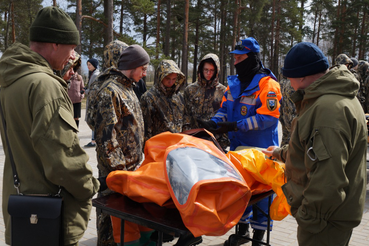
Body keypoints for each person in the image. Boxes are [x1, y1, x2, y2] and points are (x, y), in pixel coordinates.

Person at [0, 6, 99, 246]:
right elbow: (62, 160)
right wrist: (89, 186)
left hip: (21, 207)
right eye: (71, 47)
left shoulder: (11, 78)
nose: (74, 55)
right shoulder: (45, 85)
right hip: (51, 215)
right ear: (55, 43)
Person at [263, 42, 367, 246]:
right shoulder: (333, 98)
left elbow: (329, 177)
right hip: (332, 216)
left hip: (324, 222)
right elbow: (314, 150)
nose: (289, 83)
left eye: (289, 76)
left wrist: (308, 217)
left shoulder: (328, 110)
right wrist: (280, 153)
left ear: (301, 76)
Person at [198, 37, 282, 246]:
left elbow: (268, 118)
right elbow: (225, 110)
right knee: (240, 192)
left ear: (252, 58)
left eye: (240, 58)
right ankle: (241, 232)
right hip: (237, 151)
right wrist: (214, 123)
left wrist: (236, 126)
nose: (236, 62)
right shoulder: (233, 84)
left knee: (261, 195)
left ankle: (259, 238)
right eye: (234, 58)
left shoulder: (268, 85)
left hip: (261, 152)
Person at [86, 42, 151, 246]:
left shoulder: (127, 88)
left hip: (130, 172)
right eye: (143, 69)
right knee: (110, 226)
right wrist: (120, 173)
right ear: (132, 66)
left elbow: (128, 126)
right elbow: (107, 138)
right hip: (116, 175)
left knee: (124, 228)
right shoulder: (110, 91)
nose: (145, 74)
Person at [182, 53, 229, 150]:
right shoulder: (190, 90)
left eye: (212, 70)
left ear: (217, 71)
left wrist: (223, 142)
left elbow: (226, 116)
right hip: (193, 141)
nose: (208, 73)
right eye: (206, 70)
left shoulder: (223, 91)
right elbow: (185, 116)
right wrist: (186, 137)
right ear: (201, 69)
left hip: (216, 142)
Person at [140, 59, 186, 143]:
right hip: (158, 146)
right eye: (167, 78)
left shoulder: (179, 96)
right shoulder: (149, 97)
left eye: (174, 78)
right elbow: (145, 128)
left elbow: (184, 120)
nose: (171, 82)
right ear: (160, 76)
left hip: (178, 146)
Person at [63, 52, 84, 128]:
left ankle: (76, 130)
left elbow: (83, 88)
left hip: (77, 100)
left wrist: (81, 95)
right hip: (69, 100)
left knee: (76, 117)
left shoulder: (79, 77)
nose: (72, 72)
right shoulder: (67, 78)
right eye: (70, 68)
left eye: (74, 68)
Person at [85, 57, 100, 147]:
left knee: (93, 120)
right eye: (87, 64)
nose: (88, 66)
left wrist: (85, 91)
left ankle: (94, 141)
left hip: (93, 101)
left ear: (94, 65)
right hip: (93, 100)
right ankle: (94, 140)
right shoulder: (93, 74)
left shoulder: (95, 75)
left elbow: (93, 89)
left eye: (89, 64)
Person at [279, 72, 296, 146]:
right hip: (290, 118)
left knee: (285, 138)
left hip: (284, 116)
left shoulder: (281, 83)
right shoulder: (291, 85)